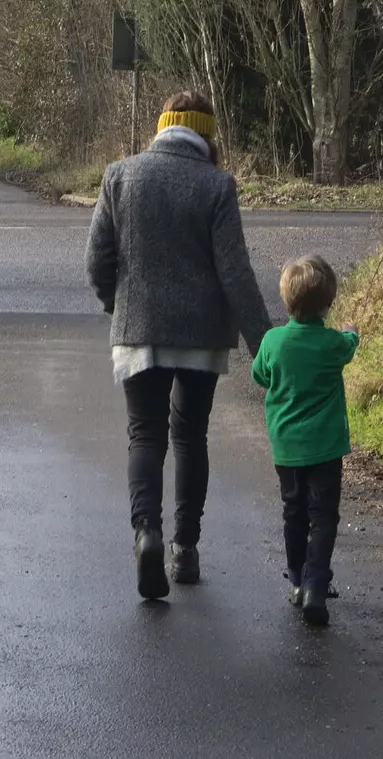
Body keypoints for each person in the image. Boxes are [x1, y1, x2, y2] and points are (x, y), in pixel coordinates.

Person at [87, 91, 272, 600]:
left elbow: (97, 260)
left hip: (139, 328)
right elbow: (235, 272)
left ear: (162, 127)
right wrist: (266, 347)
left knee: (145, 436)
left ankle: (145, 530)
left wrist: (115, 303)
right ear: (206, 136)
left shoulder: (119, 176)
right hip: (200, 336)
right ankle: (184, 549)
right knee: (190, 436)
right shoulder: (217, 185)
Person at [251, 255, 359, 627]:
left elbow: (259, 374)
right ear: (327, 303)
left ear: (286, 300)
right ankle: (316, 581)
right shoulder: (332, 344)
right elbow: (349, 344)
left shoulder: (273, 341)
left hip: (287, 447)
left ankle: (296, 578)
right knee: (323, 515)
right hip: (326, 447)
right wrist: (353, 329)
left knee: (293, 512)